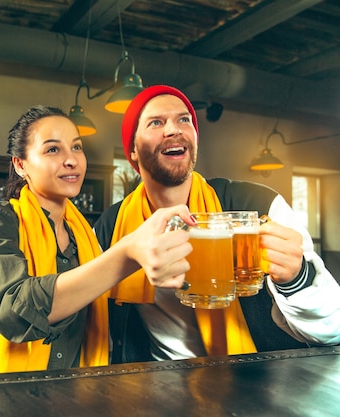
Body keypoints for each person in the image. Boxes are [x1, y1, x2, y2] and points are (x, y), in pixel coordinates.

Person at [93, 85, 340, 363]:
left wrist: (297, 279)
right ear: (133, 151)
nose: (174, 130)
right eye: (156, 122)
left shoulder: (257, 205)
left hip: (256, 382)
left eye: (184, 119)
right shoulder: (111, 227)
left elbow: (333, 329)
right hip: (160, 390)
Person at [0, 105, 197, 375]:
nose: (72, 160)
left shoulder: (87, 234)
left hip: (74, 392)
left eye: (76, 147)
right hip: (0, 391)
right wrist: (126, 253)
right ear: (20, 164)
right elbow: (13, 312)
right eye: (53, 149)